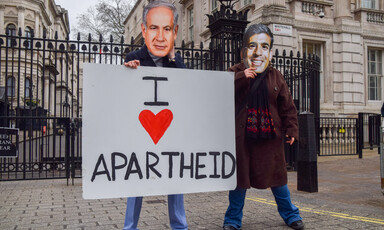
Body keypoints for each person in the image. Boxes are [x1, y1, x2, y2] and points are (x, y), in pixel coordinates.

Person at [223, 24, 304, 230]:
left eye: (264, 47)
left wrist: (292, 129)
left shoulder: (276, 76)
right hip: (242, 139)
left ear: (270, 51)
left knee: (278, 180)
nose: (258, 52)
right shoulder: (234, 72)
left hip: (270, 138)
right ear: (243, 51)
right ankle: (232, 221)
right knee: (239, 183)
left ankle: (291, 215)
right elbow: (217, 93)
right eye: (252, 46)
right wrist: (242, 78)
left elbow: (287, 106)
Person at [123, 1, 188, 230]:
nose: (160, 36)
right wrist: (127, 71)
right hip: (142, 132)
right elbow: (123, 95)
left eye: (167, 29)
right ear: (143, 30)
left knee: (176, 177)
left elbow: (188, 86)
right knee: (137, 179)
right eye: (154, 28)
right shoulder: (134, 57)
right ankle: (130, 226)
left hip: (170, 132)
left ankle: (179, 224)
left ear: (174, 32)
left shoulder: (176, 62)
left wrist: (173, 58)